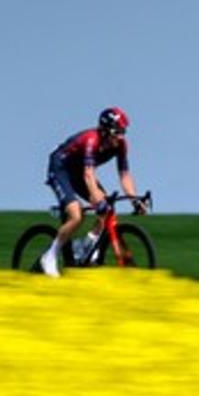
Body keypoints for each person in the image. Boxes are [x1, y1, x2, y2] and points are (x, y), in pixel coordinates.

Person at [39, 108, 136, 277]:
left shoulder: (121, 145)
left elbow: (125, 175)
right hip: (61, 168)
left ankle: (86, 245)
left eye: (123, 132)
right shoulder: (92, 140)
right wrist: (97, 201)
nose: (121, 136)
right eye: (117, 132)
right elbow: (89, 175)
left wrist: (135, 200)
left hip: (78, 171)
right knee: (76, 215)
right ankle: (50, 256)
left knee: (107, 207)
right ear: (106, 131)